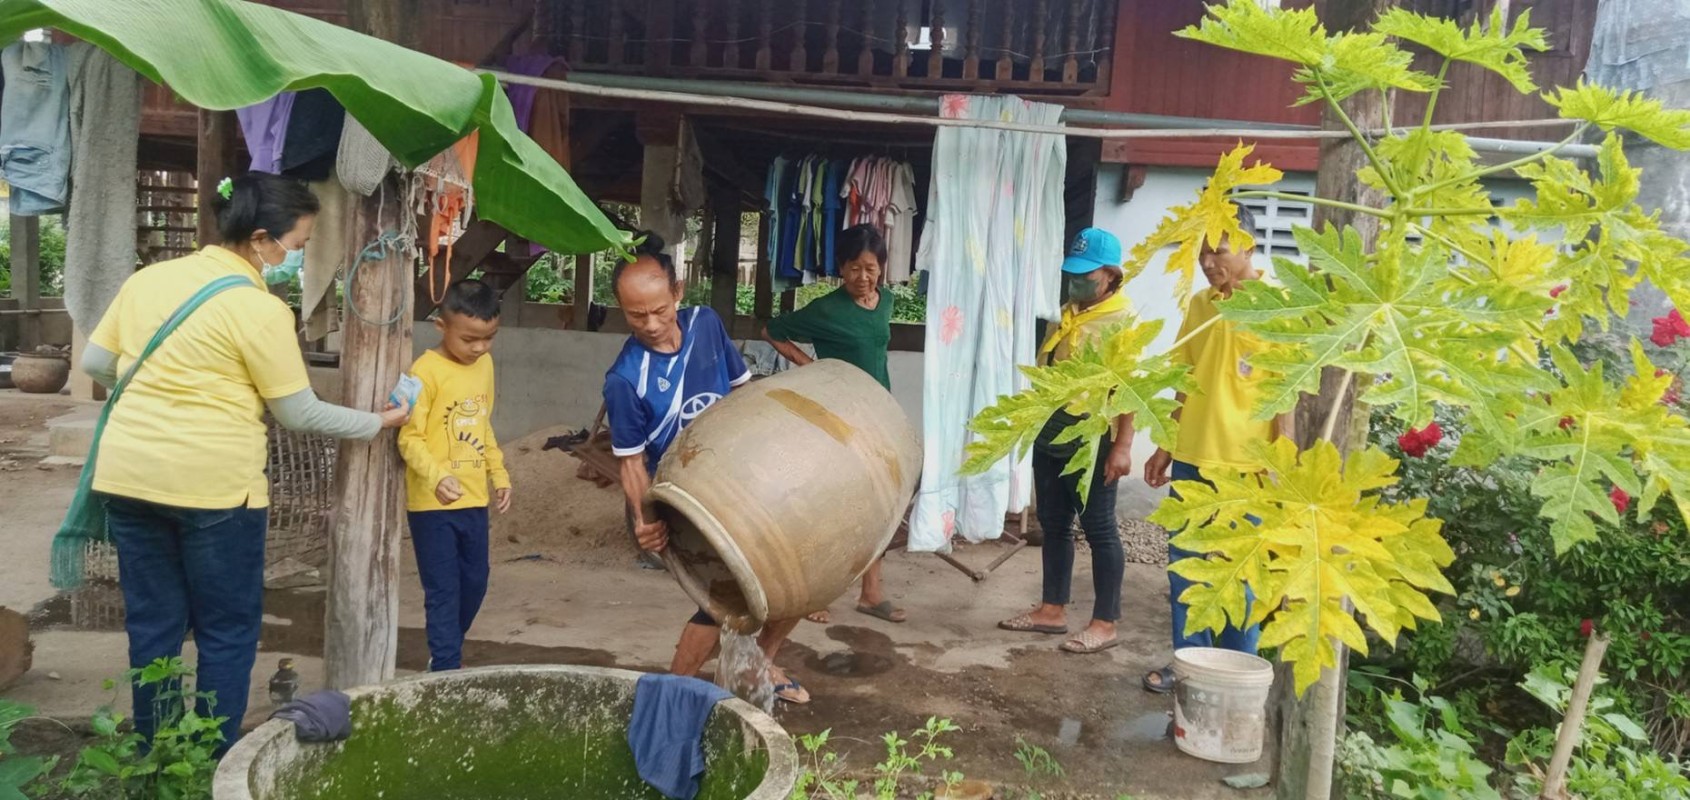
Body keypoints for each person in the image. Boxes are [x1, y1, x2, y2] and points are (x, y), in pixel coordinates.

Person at [80, 172, 409, 753]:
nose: (297, 257)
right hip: (213, 490)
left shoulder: (149, 280)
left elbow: (97, 362)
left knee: (152, 628)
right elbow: (298, 412)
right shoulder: (257, 309)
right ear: (261, 239)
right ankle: (210, 759)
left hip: (127, 477)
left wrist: (157, 400)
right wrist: (374, 423)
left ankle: (158, 757)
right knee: (227, 632)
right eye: (299, 245)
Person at [603, 231, 810, 704]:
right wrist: (644, 520)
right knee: (723, 602)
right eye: (636, 315)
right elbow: (632, 463)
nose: (652, 324)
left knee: (797, 582)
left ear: (677, 292)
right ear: (621, 308)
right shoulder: (624, 380)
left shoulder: (706, 324)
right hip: (688, 505)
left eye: (659, 309)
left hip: (742, 484)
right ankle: (673, 694)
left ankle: (760, 666)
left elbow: (742, 394)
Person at [1140, 204, 1294, 693]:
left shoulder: (1278, 304)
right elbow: (1185, 378)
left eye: (1219, 251)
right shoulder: (1204, 304)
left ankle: (1235, 671)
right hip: (1192, 459)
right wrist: (1166, 443)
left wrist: (1283, 463)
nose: (1209, 262)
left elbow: (1288, 390)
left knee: (1241, 576)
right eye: (1203, 253)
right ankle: (1188, 664)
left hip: (1248, 467)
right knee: (1185, 570)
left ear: (1248, 245)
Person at [997, 227, 1136, 654]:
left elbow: (1129, 388)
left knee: (1099, 529)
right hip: (1051, 432)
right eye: (1072, 276)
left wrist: (1123, 446)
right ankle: (1052, 610)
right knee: (1054, 525)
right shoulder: (1069, 310)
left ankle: (1104, 622)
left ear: (1111, 276)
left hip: (1092, 439)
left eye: (1086, 277)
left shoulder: (1123, 321)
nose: (1076, 284)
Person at [761, 224, 905, 625]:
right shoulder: (826, 309)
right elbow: (772, 331)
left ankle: (871, 593)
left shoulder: (887, 301)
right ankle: (813, 594)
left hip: (877, 415)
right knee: (831, 505)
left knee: (879, 504)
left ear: (882, 270)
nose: (864, 277)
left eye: (871, 268)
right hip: (837, 419)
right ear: (841, 268)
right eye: (855, 268)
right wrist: (814, 369)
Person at [397, 279, 511, 672]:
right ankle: (446, 667)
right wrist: (436, 477)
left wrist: (499, 474)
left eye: (489, 338)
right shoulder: (422, 372)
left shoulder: (485, 366)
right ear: (441, 327)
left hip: (474, 499)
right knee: (443, 590)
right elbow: (408, 438)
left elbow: (483, 425)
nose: (479, 348)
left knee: (476, 582)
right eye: (470, 339)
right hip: (432, 505)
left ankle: (443, 654)